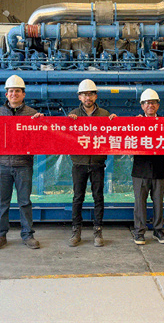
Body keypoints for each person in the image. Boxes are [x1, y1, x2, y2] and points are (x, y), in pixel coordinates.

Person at [0, 75, 43, 250]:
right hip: (2, 164)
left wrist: (41, 122)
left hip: (23, 164)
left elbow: (39, 138)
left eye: (17, 91)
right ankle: (0, 235)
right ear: (6, 94)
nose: (14, 94)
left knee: (25, 202)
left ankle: (28, 235)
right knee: (2, 203)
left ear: (23, 94)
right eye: (11, 91)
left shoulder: (32, 114)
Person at [68, 79, 116, 247]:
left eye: (90, 94)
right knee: (77, 198)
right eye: (84, 94)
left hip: (97, 163)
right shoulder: (73, 114)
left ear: (95, 96)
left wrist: (114, 121)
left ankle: (98, 230)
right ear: (79, 97)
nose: (87, 97)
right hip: (79, 163)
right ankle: (76, 231)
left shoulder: (104, 114)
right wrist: (69, 123)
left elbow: (112, 134)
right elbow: (66, 137)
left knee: (98, 197)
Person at [131, 89, 164, 245]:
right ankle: (139, 232)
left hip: (158, 169)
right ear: (142, 106)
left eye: (153, 103)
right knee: (140, 203)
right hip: (140, 170)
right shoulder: (135, 123)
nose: (150, 105)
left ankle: (158, 230)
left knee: (158, 202)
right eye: (147, 103)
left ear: (158, 105)